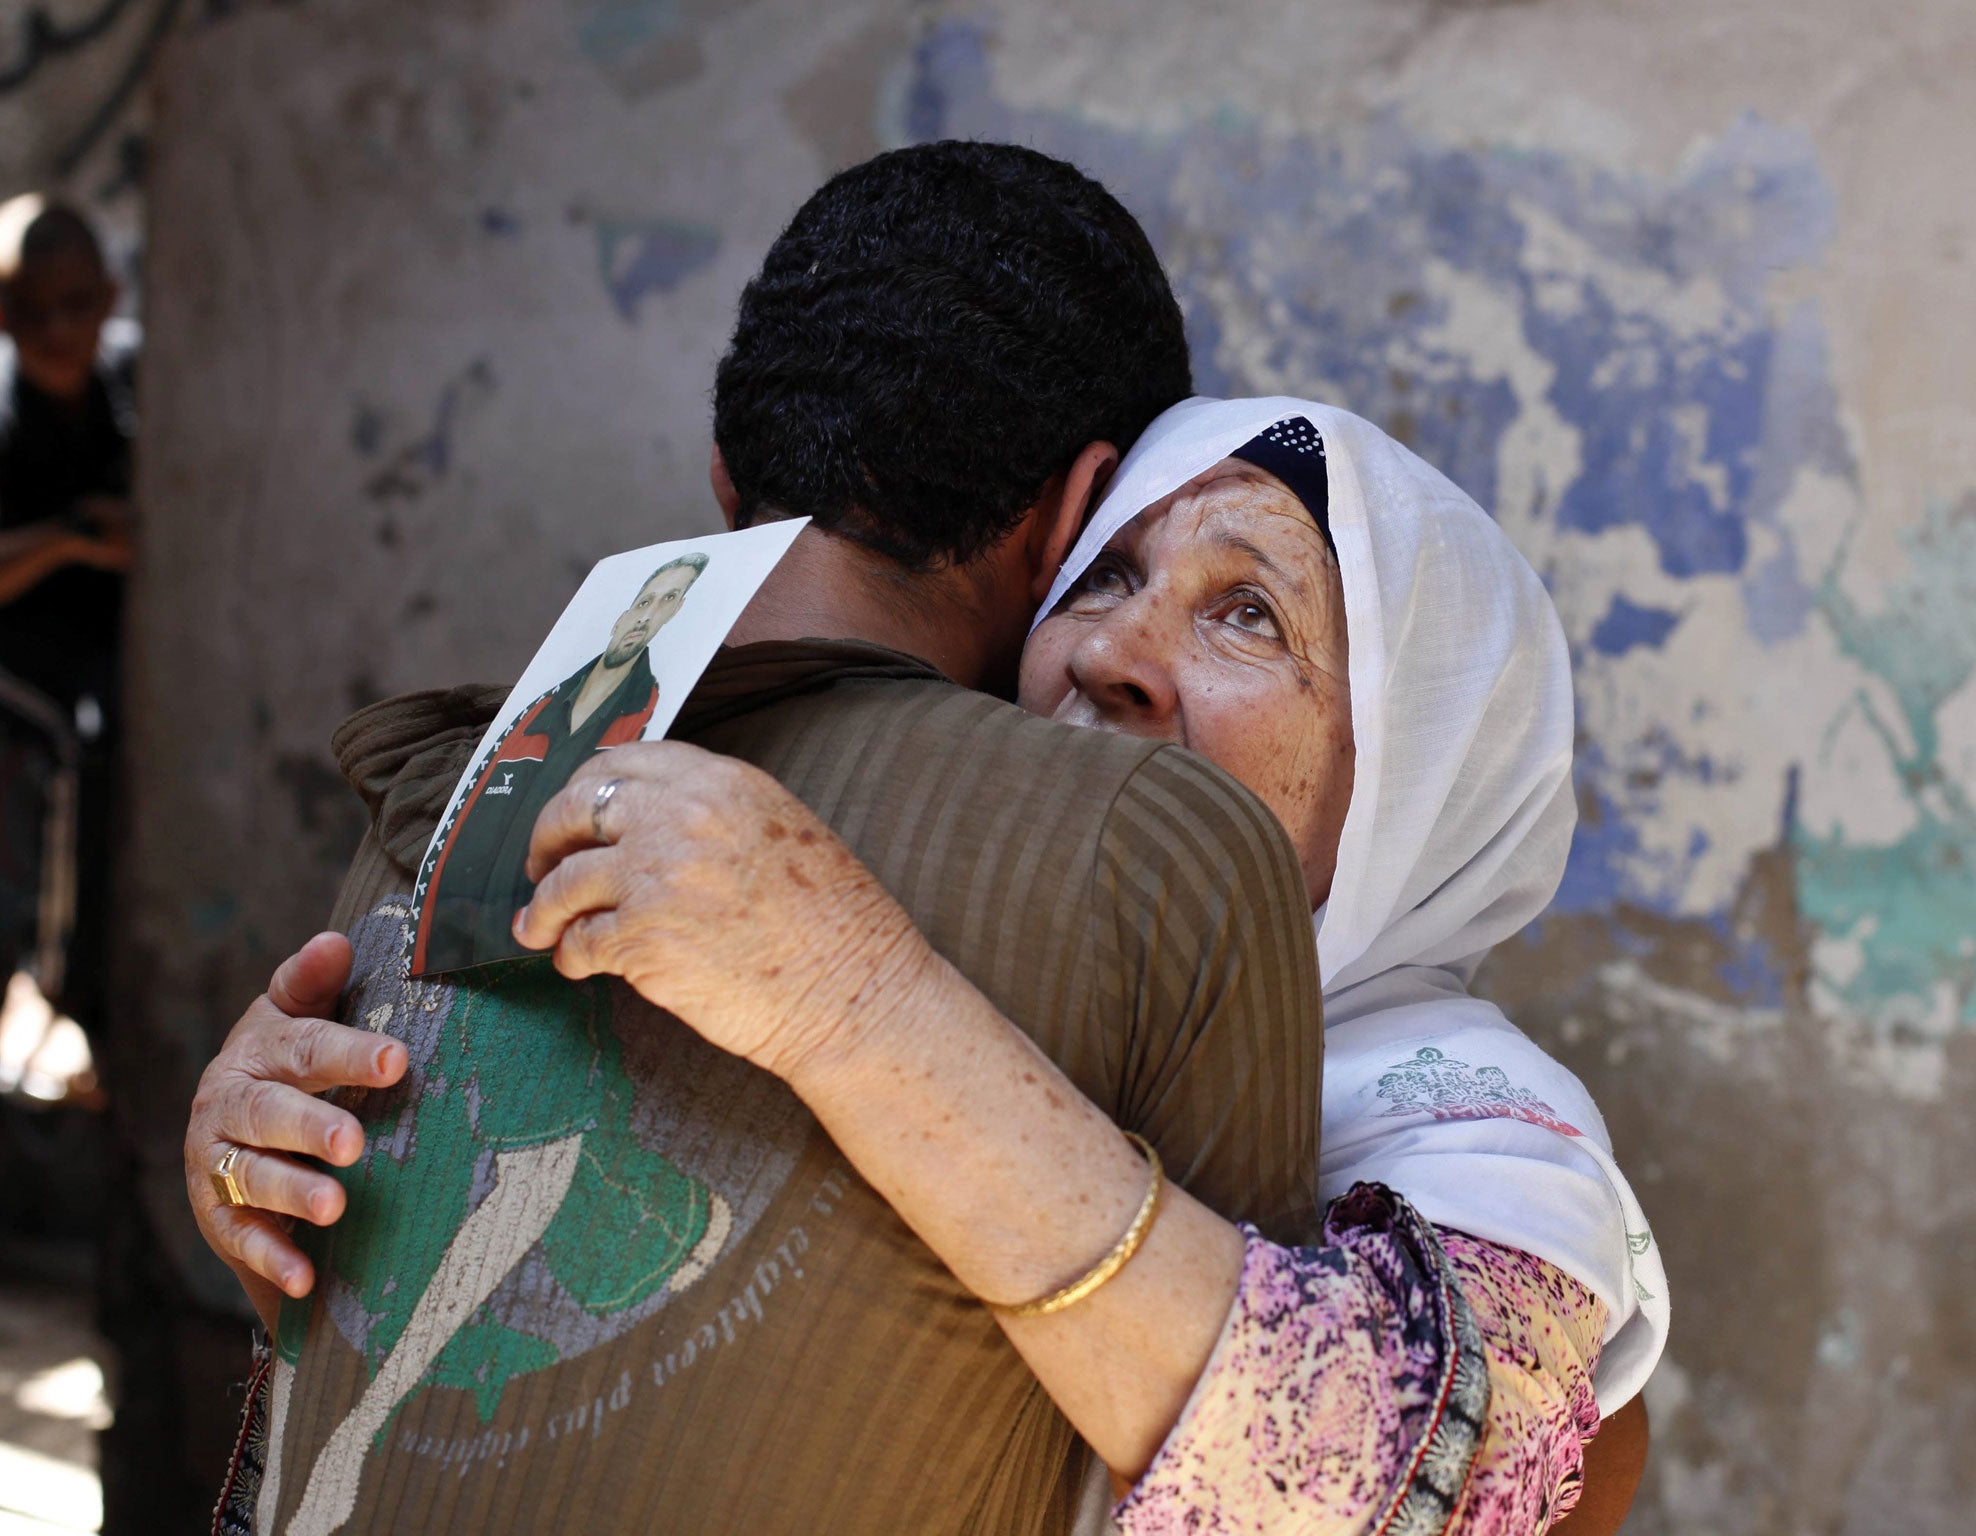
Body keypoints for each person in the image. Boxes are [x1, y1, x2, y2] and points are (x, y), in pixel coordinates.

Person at [192, 142, 1322, 1536]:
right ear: (1079, 511)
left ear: (728, 475)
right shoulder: (1166, 850)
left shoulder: (450, 793)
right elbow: (1298, 1477)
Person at [505, 395, 1671, 1533]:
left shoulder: (1486, 1148)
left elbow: (1390, 1491)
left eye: (1249, 614)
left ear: (1416, 784)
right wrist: (361, 1141)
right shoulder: (817, 926)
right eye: (1103, 577)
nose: (1111, 652)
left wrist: (845, 1000)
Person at [0, 193, 137, 1041]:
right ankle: (55, 993)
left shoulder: (138, 374)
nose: (56, 329)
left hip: (113, 641)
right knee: (85, 737)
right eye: (30, 310)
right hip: (6, 654)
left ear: (110, 296)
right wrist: (73, 540)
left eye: (75, 304)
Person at [413, 551, 706, 974]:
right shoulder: (532, 712)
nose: (647, 616)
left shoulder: (652, 719)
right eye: (644, 602)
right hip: (448, 960)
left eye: (667, 602)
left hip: (547, 976)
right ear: (622, 616)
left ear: (675, 614)